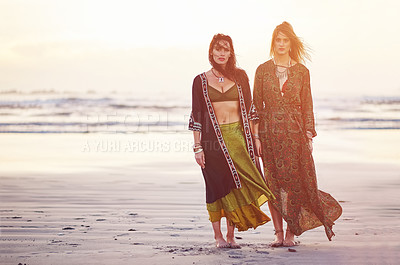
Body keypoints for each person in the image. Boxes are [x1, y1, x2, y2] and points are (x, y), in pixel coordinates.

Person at [251, 22, 342, 247]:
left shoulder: (302, 71)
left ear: (291, 43)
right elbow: (255, 107)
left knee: (294, 186)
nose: (281, 44)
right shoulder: (262, 70)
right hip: (269, 134)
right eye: (278, 40)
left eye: (285, 40)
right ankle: (278, 233)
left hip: (296, 135)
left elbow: (307, 105)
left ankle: (291, 234)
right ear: (273, 43)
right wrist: (256, 138)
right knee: (272, 184)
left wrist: (309, 135)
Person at [189, 33, 275, 248]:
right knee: (215, 186)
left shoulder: (240, 77)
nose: (221, 53)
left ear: (230, 52)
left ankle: (230, 235)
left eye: (225, 49)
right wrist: (198, 147)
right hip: (212, 142)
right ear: (211, 52)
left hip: (238, 139)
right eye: (217, 49)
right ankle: (217, 236)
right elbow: (197, 115)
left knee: (236, 186)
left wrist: (255, 138)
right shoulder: (199, 80)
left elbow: (250, 109)